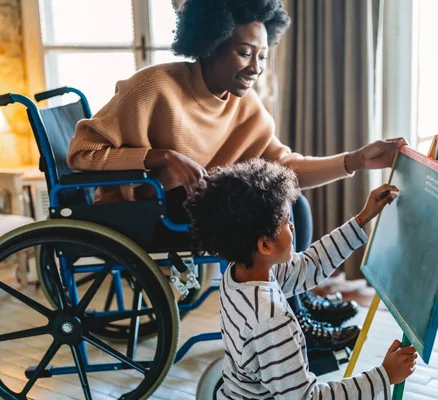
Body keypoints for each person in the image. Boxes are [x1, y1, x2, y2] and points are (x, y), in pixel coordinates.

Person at [66, 0, 407, 351]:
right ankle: (295, 315)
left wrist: (355, 160)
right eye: (245, 53)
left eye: (262, 55)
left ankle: (295, 304)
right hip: (141, 211)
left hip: (191, 204)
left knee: (294, 202)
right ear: (210, 44)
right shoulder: (152, 88)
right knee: (270, 211)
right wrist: (160, 157)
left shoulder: (242, 103)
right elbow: (81, 152)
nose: (255, 67)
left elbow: (285, 166)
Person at [184, 158, 417, 399]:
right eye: (287, 221)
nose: (293, 227)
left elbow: (309, 265)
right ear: (264, 244)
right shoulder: (272, 321)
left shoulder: (240, 275)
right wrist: (384, 376)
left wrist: (362, 218)